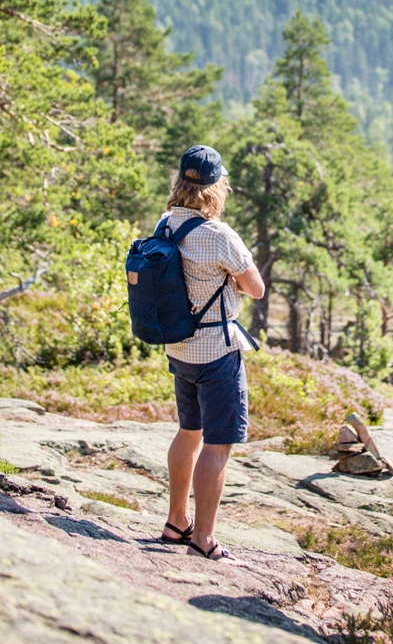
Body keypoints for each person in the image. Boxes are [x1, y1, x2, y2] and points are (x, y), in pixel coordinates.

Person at [159, 144, 264, 560]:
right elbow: (255, 287)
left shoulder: (165, 224)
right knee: (218, 445)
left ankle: (175, 521)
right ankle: (203, 538)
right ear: (217, 187)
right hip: (216, 352)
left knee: (189, 432)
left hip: (180, 347)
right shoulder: (219, 235)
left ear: (180, 182)